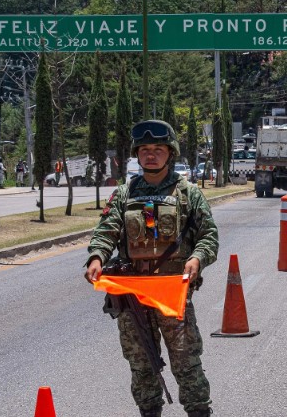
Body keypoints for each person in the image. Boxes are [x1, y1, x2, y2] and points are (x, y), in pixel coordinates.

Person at [84, 120, 218, 417]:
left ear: (170, 153)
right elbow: (106, 231)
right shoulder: (124, 194)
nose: (151, 155)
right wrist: (96, 257)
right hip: (133, 295)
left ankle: (199, 412)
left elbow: (209, 236)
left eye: (158, 149)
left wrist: (197, 258)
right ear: (137, 154)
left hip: (173, 294)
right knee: (142, 364)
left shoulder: (188, 193)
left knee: (186, 362)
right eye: (144, 149)